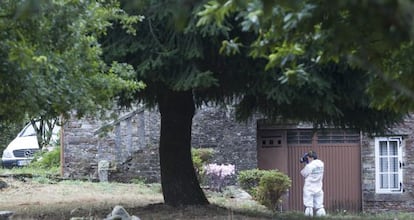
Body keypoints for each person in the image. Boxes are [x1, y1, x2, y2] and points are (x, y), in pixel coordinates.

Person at [300, 150, 326, 217]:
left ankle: (308, 218)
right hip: (318, 187)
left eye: (308, 158)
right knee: (319, 206)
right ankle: (323, 218)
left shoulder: (309, 166)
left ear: (310, 157)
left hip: (309, 188)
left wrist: (306, 164)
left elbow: (303, 174)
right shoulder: (321, 163)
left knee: (308, 206)